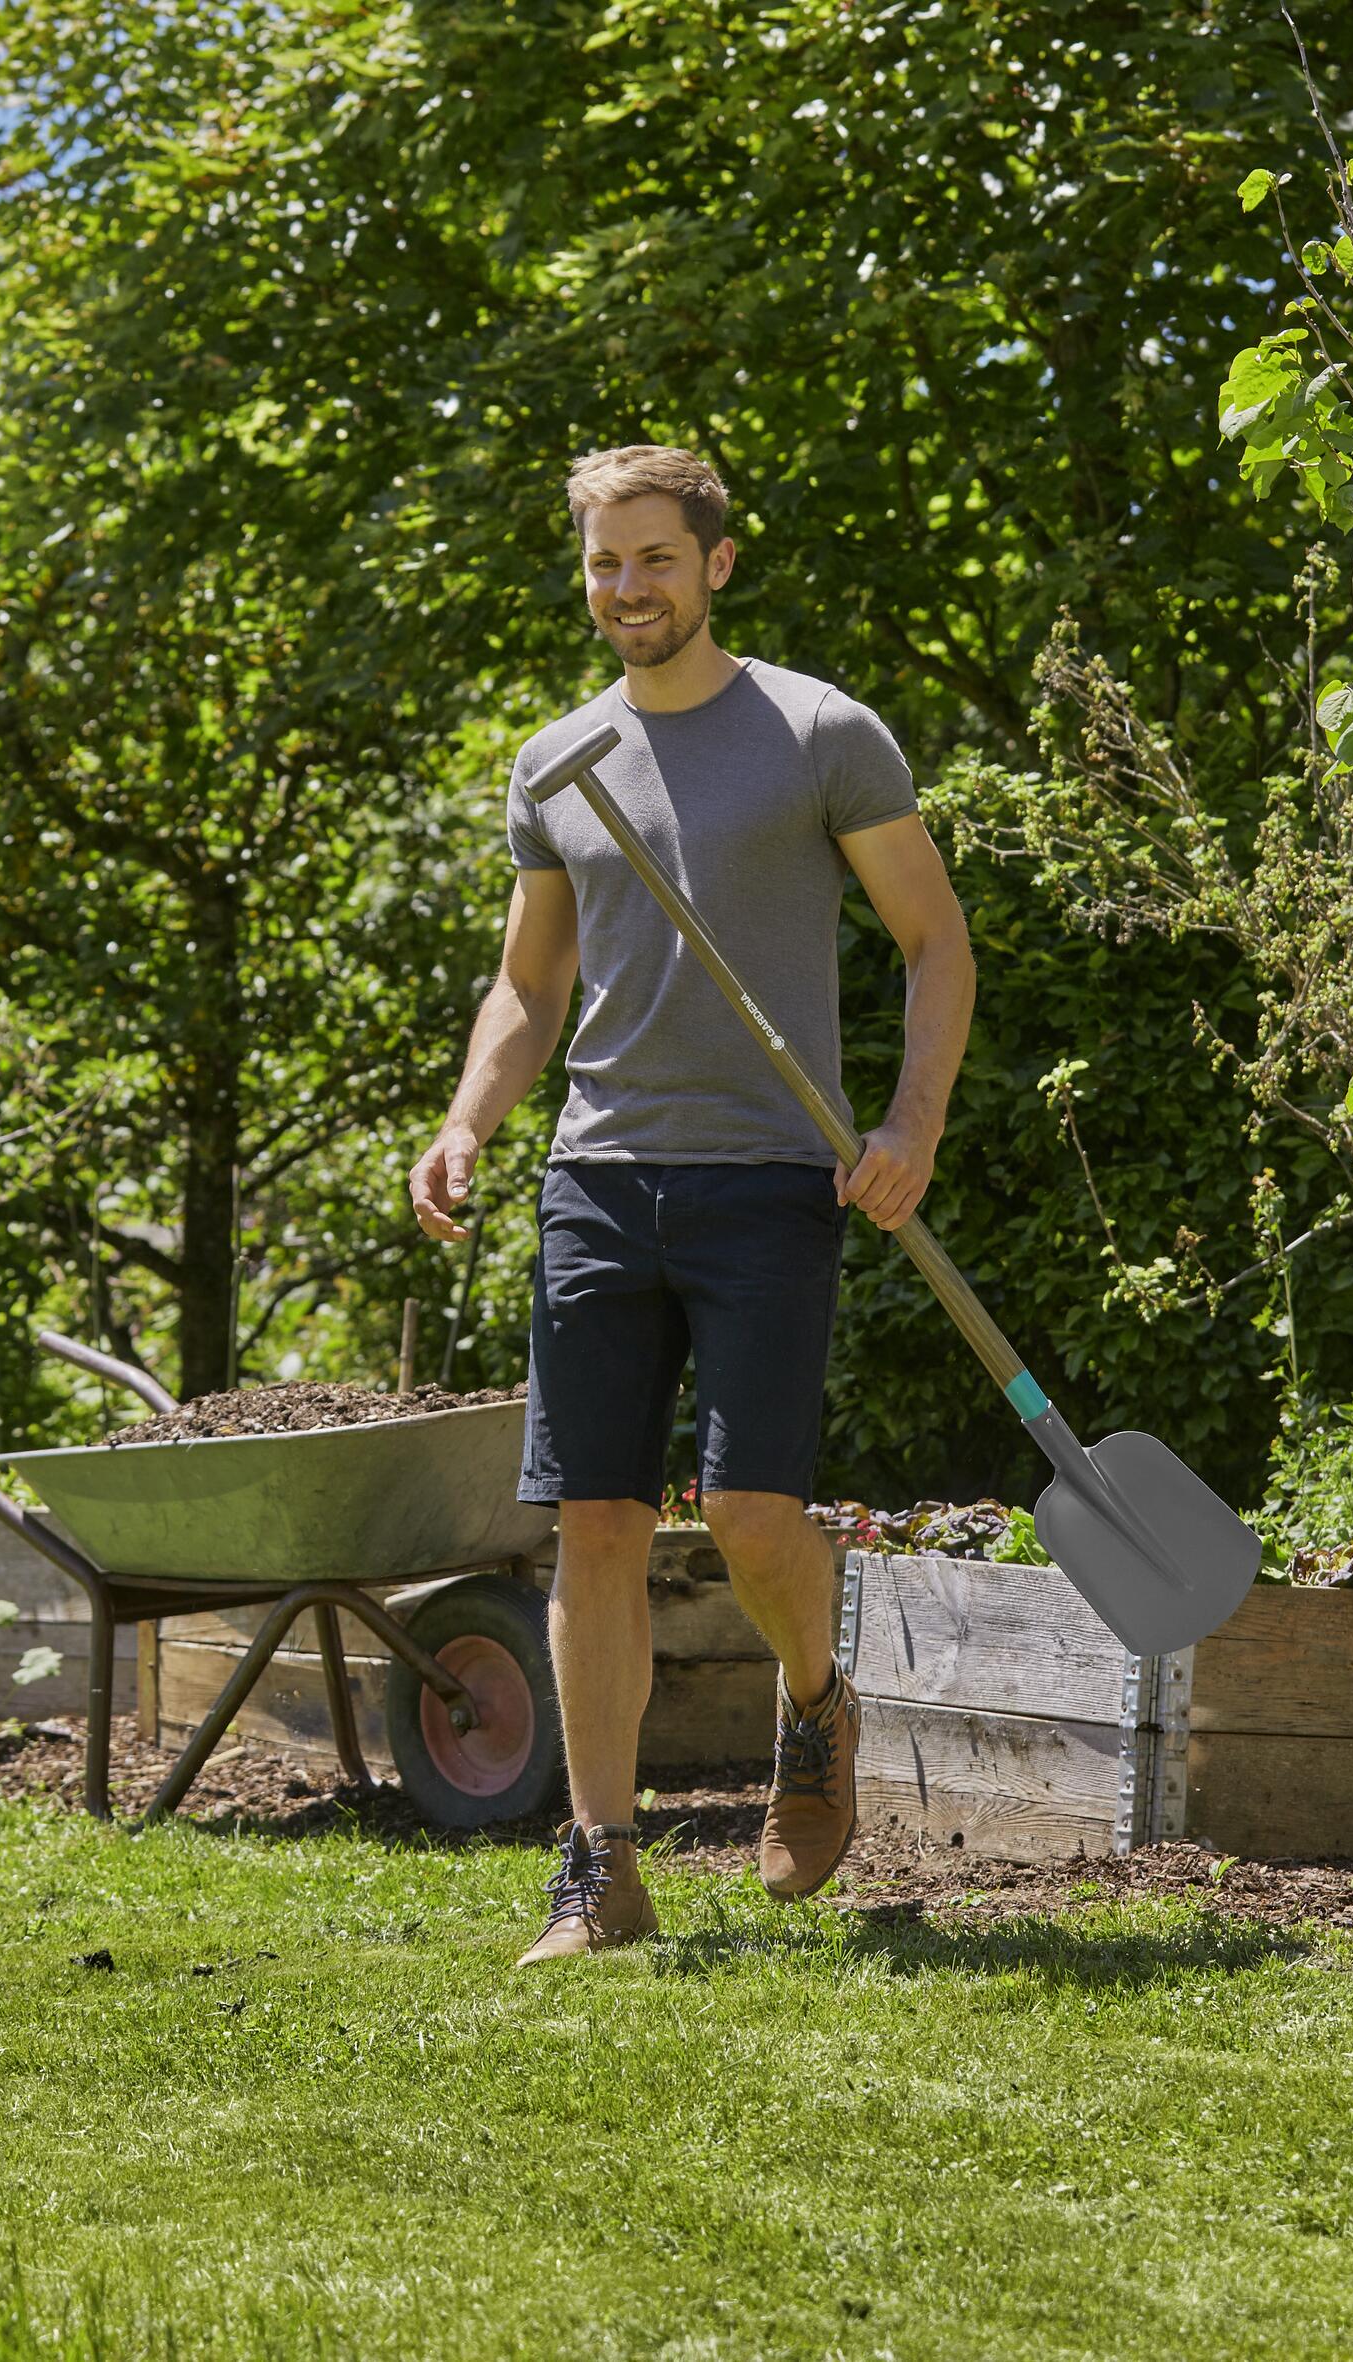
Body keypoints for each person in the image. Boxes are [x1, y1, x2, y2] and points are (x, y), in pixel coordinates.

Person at [408, 445, 975, 1966]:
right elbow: (532, 986)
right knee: (590, 1523)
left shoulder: (814, 733)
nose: (626, 589)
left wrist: (908, 1119)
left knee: (743, 1513)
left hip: (769, 1177)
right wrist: (470, 1119)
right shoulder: (557, 763)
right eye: (603, 563)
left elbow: (935, 944)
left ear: (715, 562)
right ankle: (600, 1869)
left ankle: (815, 1701)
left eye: (653, 558)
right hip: (598, 1178)